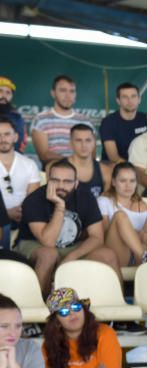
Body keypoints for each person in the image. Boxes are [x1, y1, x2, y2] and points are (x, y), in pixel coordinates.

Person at [17, 160, 120, 293]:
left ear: (76, 183)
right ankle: (38, 306)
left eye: (67, 181)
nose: (61, 185)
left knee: (108, 254)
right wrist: (60, 206)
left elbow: (97, 237)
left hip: (72, 246)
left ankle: (118, 301)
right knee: (49, 254)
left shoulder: (86, 197)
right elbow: (48, 242)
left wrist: (71, 257)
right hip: (35, 245)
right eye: (55, 180)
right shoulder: (34, 200)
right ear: (48, 179)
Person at [41, 288, 122, 368]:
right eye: (63, 311)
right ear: (56, 321)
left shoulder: (105, 334)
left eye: (75, 307)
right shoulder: (48, 345)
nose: (72, 313)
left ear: (84, 309)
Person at [97, 162, 147, 267]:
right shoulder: (104, 201)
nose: (128, 185)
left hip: (141, 252)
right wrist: (138, 235)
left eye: (132, 181)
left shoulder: (142, 205)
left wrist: (145, 236)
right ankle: (144, 256)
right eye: (123, 181)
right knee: (120, 216)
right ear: (113, 182)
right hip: (119, 254)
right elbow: (105, 236)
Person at [30, 75, 94, 163]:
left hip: (82, 171)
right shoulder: (41, 120)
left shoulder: (86, 121)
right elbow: (44, 155)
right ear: (53, 93)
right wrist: (70, 161)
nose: (68, 96)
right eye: (63, 90)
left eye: (72, 91)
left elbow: (92, 155)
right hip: (53, 170)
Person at [0, 116, 40, 248]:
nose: (3, 139)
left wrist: (19, 212)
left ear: (16, 137)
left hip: (23, 218)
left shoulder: (29, 164)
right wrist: (6, 213)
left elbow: (33, 199)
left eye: (7, 134)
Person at [99, 82, 147, 163]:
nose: (130, 100)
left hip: (140, 166)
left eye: (133, 96)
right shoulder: (108, 122)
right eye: (125, 97)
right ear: (118, 101)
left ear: (139, 99)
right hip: (114, 168)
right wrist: (136, 170)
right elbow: (114, 158)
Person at [67, 124, 111, 201]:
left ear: (94, 143)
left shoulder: (106, 171)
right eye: (78, 140)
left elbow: (106, 204)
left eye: (88, 140)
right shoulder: (57, 168)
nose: (84, 145)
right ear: (70, 143)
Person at [0, 77, 27, 152]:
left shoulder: (17, 117)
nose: (4, 96)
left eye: (8, 92)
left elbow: (21, 144)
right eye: (0, 91)